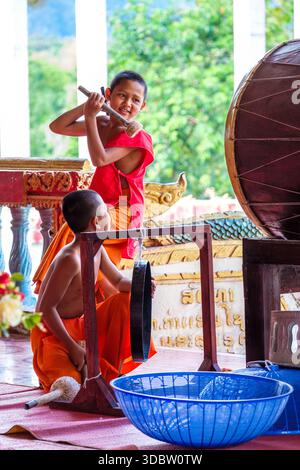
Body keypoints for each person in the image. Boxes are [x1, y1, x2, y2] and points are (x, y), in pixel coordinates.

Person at [33, 70, 154, 296]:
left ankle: (70, 294)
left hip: (124, 211)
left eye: (135, 100)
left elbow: (99, 159)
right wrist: (88, 107)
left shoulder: (138, 137)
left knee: (80, 231)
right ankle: (62, 295)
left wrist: (89, 118)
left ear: (143, 106)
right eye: (121, 95)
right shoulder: (102, 122)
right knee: (74, 229)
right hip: (100, 209)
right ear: (108, 95)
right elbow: (57, 127)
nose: (127, 103)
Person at [31, 190, 156, 391]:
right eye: (106, 212)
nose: (110, 216)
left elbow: (117, 281)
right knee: (71, 386)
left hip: (83, 326)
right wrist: (72, 347)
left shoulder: (97, 249)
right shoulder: (70, 259)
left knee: (125, 299)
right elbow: (44, 309)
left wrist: (141, 285)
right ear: (96, 222)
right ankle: (75, 364)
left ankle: (110, 364)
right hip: (54, 334)